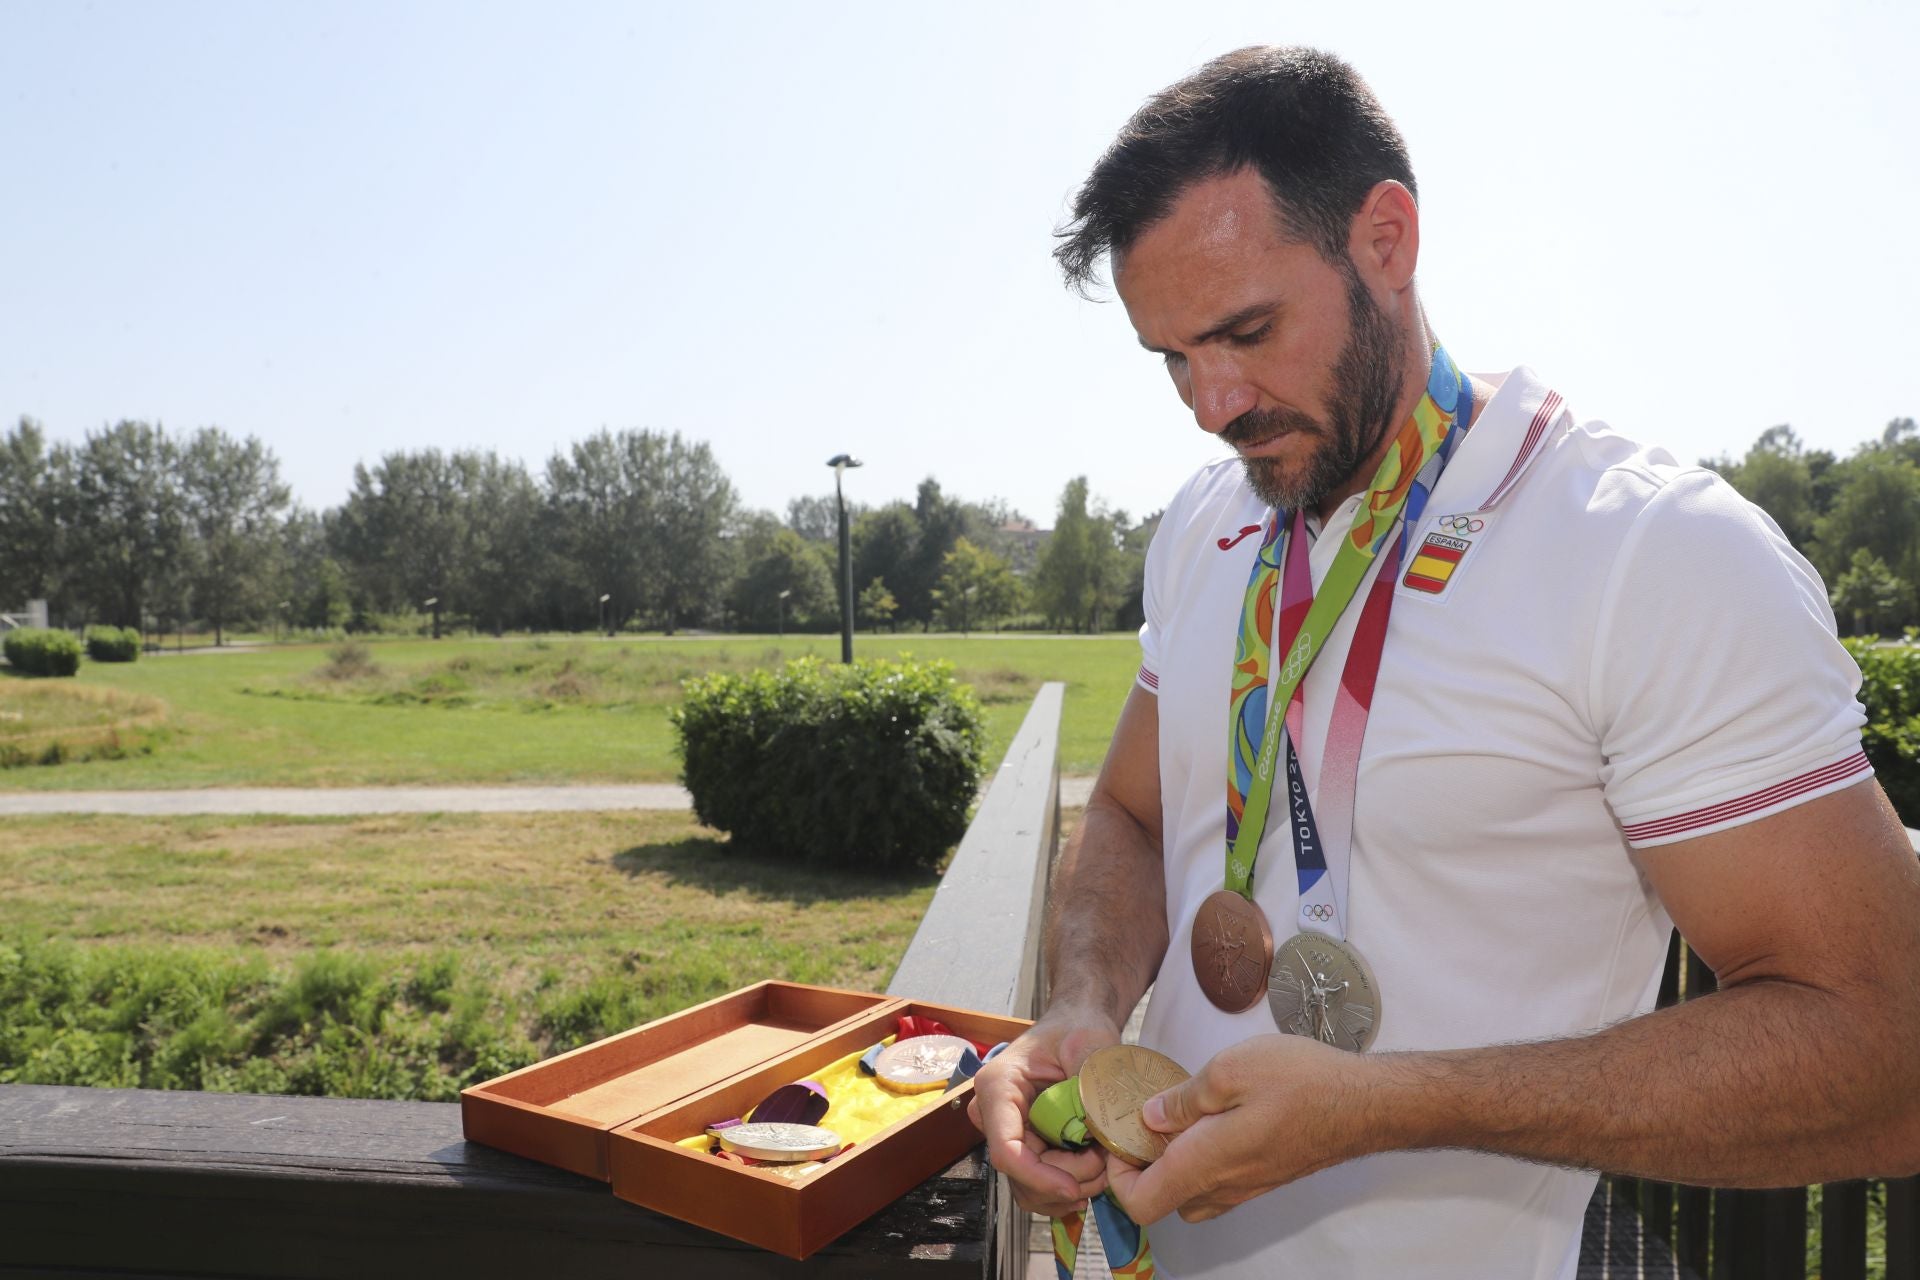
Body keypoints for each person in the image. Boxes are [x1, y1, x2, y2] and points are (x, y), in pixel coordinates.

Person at [968, 45, 1920, 1278]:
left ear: (1387, 239)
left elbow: (1886, 1045)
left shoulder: (1651, 551)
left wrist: (1395, 1105)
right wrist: (1084, 1003)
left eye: (1245, 331)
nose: (1210, 401)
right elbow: (1139, 816)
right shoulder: (1208, 524)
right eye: (1171, 357)